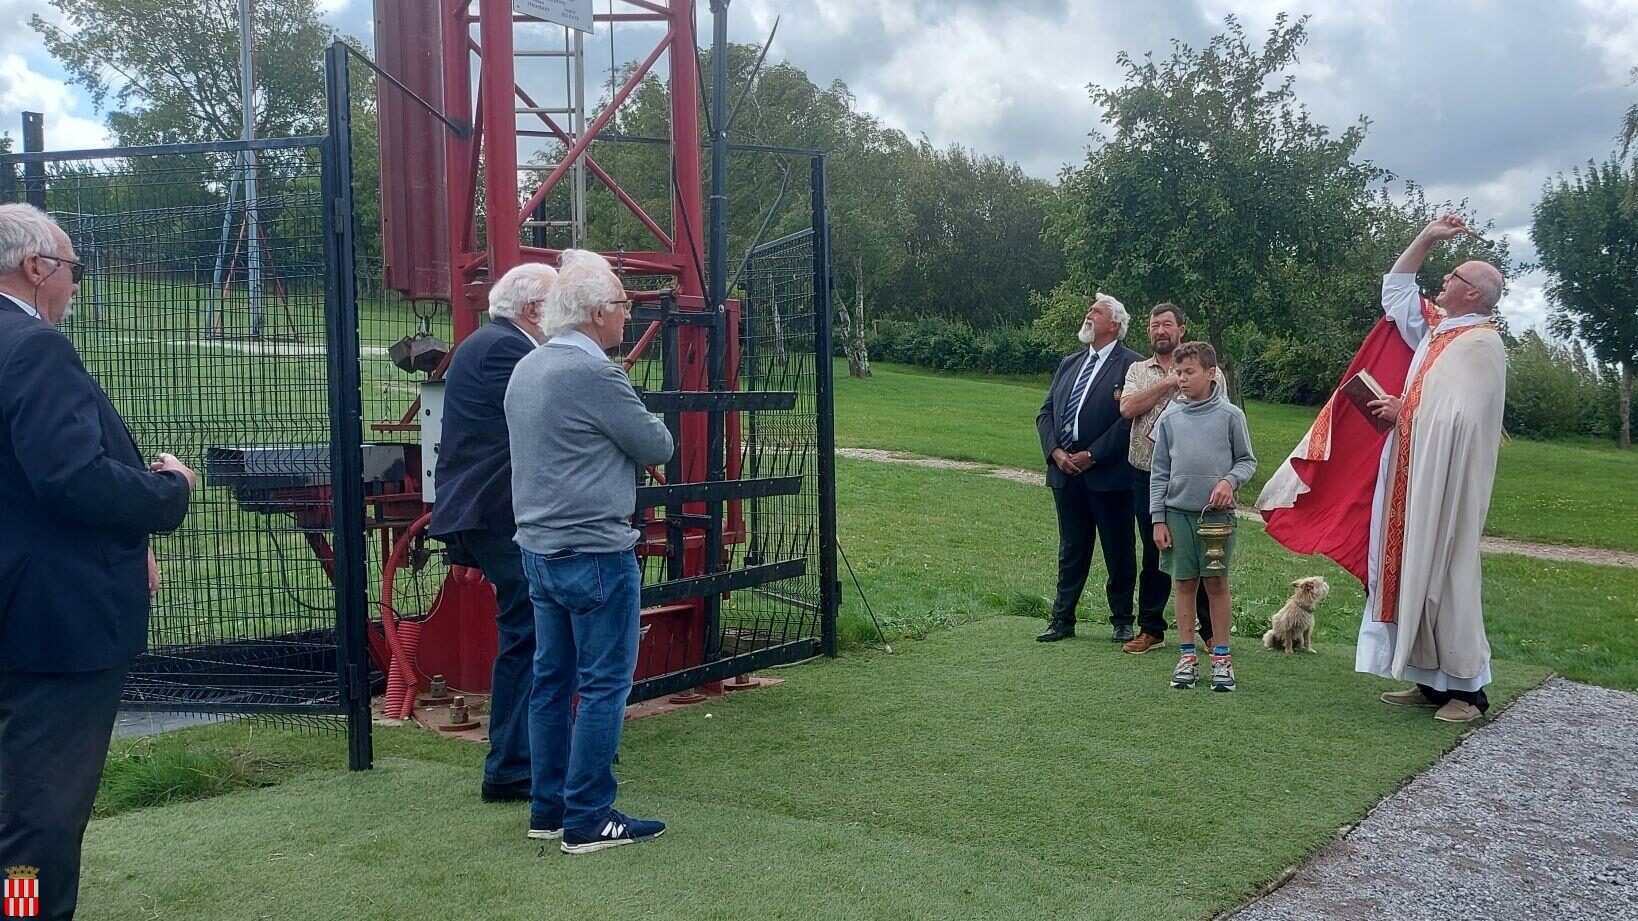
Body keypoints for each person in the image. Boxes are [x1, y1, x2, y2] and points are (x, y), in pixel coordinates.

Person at [0, 203, 195, 919]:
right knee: (38, 819)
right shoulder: (34, 347)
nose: (75, 286)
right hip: (52, 625)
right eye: (73, 270)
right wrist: (167, 492)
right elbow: (70, 477)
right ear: (35, 267)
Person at [505, 249, 674, 854]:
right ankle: (588, 817)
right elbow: (657, 445)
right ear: (599, 312)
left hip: (539, 548)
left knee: (552, 680)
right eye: (624, 305)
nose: (629, 314)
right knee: (604, 684)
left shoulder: (529, 367)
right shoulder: (597, 374)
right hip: (596, 551)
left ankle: (548, 809)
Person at [1357, 216, 1507, 724]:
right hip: (1413, 468)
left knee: (1448, 568)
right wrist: (1424, 237)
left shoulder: (1480, 344)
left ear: (1473, 294)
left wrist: (1407, 412)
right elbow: (1396, 292)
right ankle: (1429, 680)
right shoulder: (1442, 330)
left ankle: (1469, 691)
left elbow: (1462, 417)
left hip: (1450, 480)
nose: (1443, 280)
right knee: (1413, 567)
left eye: (1453, 277)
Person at [429, 262, 556, 803]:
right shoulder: (507, 350)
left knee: (530, 627)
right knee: (530, 629)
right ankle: (512, 765)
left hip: (491, 511)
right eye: (559, 304)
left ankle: (526, 755)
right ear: (532, 309)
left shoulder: (489, 343)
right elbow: (551, 416)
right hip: (500, 512)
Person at [1034, 294, 1143, 643]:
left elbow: (1130, 422)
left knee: (1118, 549)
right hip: (1065, 472)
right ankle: (1062, 619)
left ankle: (1122, 620)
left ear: (1115, 324)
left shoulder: (1132, 366)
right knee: (1072, 549)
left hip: (1108, 474)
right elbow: (1046, 412)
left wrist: (1092, 455)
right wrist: (1055, 451)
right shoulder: (1069, 364)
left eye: (1095, 312)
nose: (1088, 315)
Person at [1117, 303, 1223, 654]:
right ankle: (1151, 628)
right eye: (1153, 326)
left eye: (1166, 325)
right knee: (1154, 550)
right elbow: (1128, 409)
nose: (1160, 331)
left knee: (1204, 553)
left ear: (1182, 329)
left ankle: (1210, 632)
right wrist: (1168, 382)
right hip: (1147, 474)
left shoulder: (1208, 369)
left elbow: (1219, 416)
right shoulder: (1137, 369)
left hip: (1197, 481)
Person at [1149, 342, 1256, 692]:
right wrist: (1158, 518)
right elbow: (1159, 471)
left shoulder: (1230, 416)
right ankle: (1186, 657)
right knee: (1182, 583)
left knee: (1216, 583)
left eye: (1189, 372)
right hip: (1176, 514)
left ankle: (1221, 659)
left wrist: (1229, 480)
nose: (1182, 379)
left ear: (1211, 374)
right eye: (1178, 372)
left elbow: (1247, 461)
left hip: (1217, 519)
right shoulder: (1171, 418)